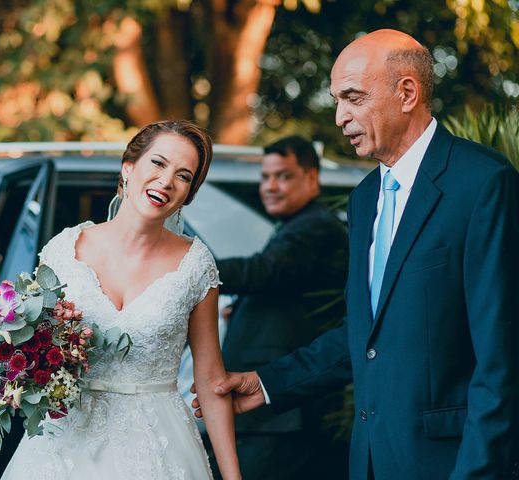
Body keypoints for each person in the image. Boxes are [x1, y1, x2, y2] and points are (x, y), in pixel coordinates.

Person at [194, 29, 519, 479]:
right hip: (367, 460)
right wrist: (270, 383)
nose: (340, 117)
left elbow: (501, 359)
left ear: (407, 92)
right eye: (336, 101)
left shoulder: (483, 182)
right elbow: (368, 337)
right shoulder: (364, 198)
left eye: (353, 98)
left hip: (449, 463)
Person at [2, 120, 241, 479]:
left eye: (183, 175)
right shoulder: (64, 251)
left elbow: (211, 380)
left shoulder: (196, 264)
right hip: (64, 445)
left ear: (188, 194)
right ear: (128, 168)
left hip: (158, 447)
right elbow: (32, 351)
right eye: (158, 164)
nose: (166, 181)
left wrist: (233, 477)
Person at [210, 135, 349, 479]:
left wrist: (188, 266)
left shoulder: (315, 227)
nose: (270, 186)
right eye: (265, 177)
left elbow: (265, 270)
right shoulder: (295, 227)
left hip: (284, 414)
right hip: (272, 415)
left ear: (312, 179)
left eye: (283, 176)